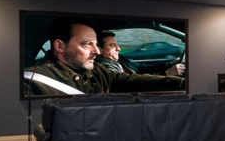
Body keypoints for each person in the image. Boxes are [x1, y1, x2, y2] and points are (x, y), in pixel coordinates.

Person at [23, 19, 186, 96]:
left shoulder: (98, 72)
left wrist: (183, 83)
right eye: (87, 44)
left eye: (96, 44)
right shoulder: (33, 82)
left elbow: (133, 81)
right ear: (60, 46)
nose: (97, 51)